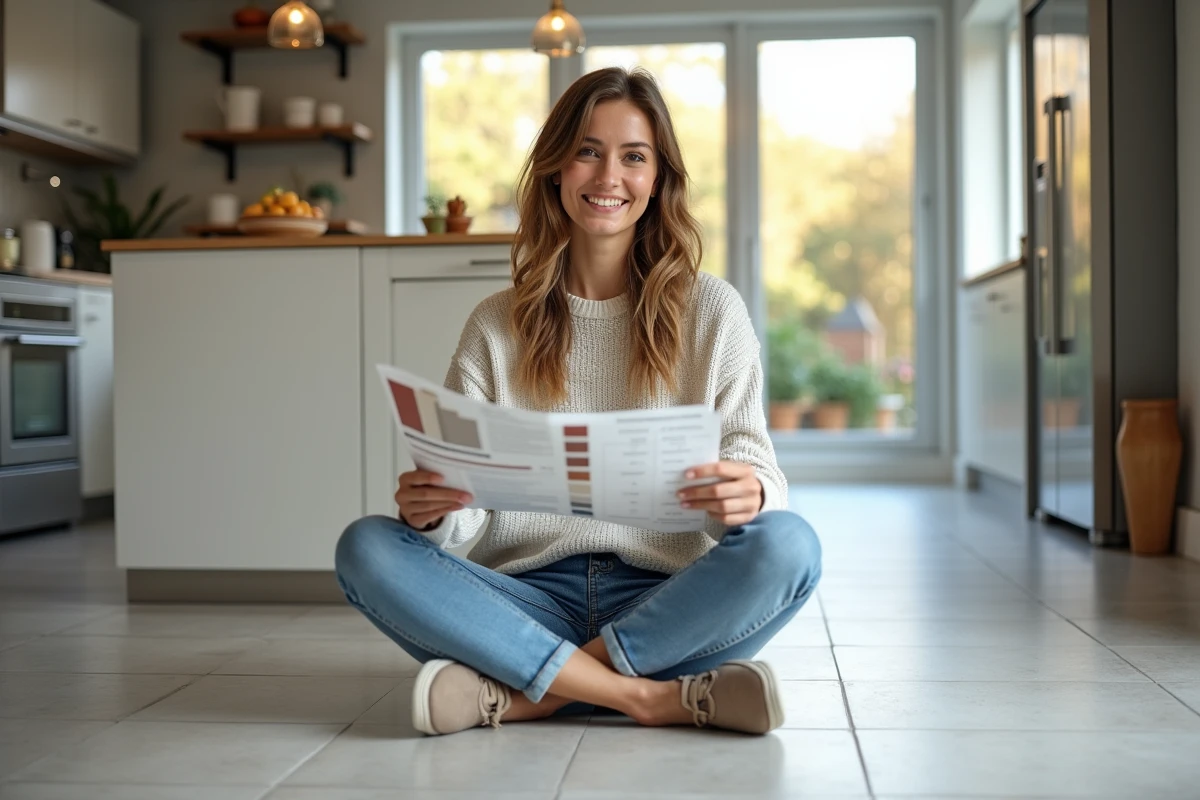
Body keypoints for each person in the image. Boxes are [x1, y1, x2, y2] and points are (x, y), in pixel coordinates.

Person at [335, 66, 821, 737]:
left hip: (666, 601)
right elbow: (467, 522)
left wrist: (751, 496)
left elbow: (756, 470)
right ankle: (657, 699)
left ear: (659, 179)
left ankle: (523, 695)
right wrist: (432, 518)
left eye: (634, 157)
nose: (607, 177)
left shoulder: (714, 311)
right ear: (557, 169)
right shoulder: (494, 323)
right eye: (588, 151)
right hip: (525, 596)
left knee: (791, 543)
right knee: (368, 548)